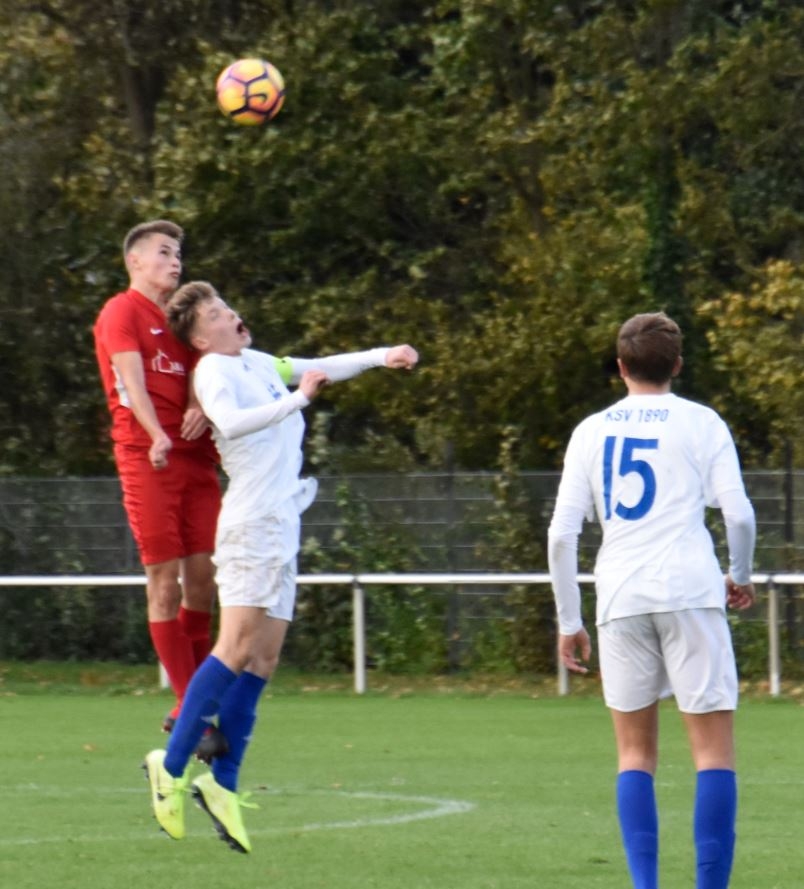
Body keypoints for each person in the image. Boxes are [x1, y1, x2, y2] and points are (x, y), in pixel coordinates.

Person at [143, 280, 418, 853]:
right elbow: (229, 421)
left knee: (263, 659)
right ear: (200, 337)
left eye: (228, 307)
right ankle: (168, 769)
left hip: (281, 523)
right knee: (235, 647)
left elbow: (318, 367)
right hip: (251, 525)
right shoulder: (213, 372)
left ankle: (223, 785)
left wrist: (380, 356)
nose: (231, 315)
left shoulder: (259, 362)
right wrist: (299, 401)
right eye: (217, 314)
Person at [547, 312, 756, 889]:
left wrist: (569, 620)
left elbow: (561, 535)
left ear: (621, 367)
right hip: (690, 589)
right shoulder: (702, 422)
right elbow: (739, 514)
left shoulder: (590, 431)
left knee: (635, 756)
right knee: (712, 755)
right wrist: (739, 574)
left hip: (620, 595)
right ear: (678, 365)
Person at [93, 221, 221, 738]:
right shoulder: (121, 311)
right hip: (150, 459)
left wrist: (196, 405)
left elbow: (203, 367)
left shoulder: (180, 319)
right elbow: (130, 381)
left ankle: (193, 700)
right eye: (164, 253)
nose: (175, 262)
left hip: (197, 459)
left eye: (178, 254)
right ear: (135, 262)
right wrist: (156, 434)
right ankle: (193, 706)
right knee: (164, 582)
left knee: (204, 579)